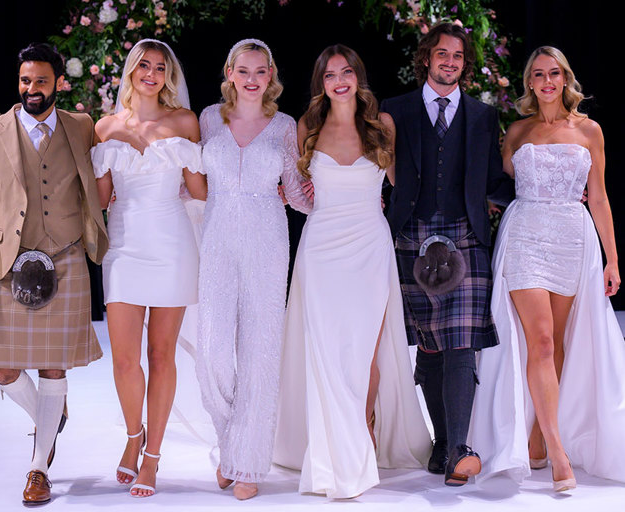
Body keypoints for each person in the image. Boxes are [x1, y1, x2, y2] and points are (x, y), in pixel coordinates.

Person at [273, 44, 431, 499]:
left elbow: (405, 182)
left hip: (369, 245)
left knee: (366, 351)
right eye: (329, 74)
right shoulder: (307, 126)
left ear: (358, 78)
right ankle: (333, 451)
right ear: (320, 82)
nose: (338, 80)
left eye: (346, 72)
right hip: (321, 247)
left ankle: (361, 434)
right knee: (326, 350)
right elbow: (297, 188)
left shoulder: (382, 126)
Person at [0, 43, 108, 505]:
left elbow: (104, 176)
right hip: (10, 263)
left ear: (57, 82)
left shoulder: (82, 127)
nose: (31, 89)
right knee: (2, 368)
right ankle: (51, 414)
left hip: (65, 256)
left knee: (53, 367)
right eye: (25, 81)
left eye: (40, 81)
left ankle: (38, 469)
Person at [470, 46, 625, 491]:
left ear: (565, 78)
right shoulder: (517, 131)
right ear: (530, 83)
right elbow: (501, 185)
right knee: (537, 340)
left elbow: (598, 196)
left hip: (572, 239)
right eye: (538, 74)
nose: (547, 81)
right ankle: (558, 454)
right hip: (525, 236)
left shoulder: (589, 130)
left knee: (555, 345)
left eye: (554, 73)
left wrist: (612, 258)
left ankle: (539, 435)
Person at [379, 22, 514, 486]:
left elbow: (494, 179)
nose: (450, 63)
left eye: (458, 56)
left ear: (465, 63)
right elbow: (371, 162)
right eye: (442, 54)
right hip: (411, 236)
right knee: (432, 345)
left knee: (462, 343)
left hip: (467, 236)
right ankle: (443, 441)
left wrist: (543, 193)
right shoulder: (394, 111)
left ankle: (458, 448)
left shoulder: (482, 116)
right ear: (427, 58)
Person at [195, 38, 312, 501]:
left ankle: (248, 464)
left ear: (271, 75)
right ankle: (231, 445)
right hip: (218, 238)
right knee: (212, 353)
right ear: (229, 72)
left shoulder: (285, 125)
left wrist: (345, 194)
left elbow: (298, 190)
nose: (251, 79)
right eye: (243, 71)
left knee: (261, 353)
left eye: (259, 71)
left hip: (267, 239)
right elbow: (193, 181)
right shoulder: (207, 119)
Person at [91, 39, 206, 498]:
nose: (151, 74)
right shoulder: (103, 128)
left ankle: (152, 457)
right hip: (122, 247)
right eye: (144, 65)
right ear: (131, 71)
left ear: (168, 75)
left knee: (161, 355)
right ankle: (132, 435)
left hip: (172, 245)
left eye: (160, 67)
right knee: (124, 359)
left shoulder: (184, 122)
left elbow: (198, 191)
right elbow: (99, 201)